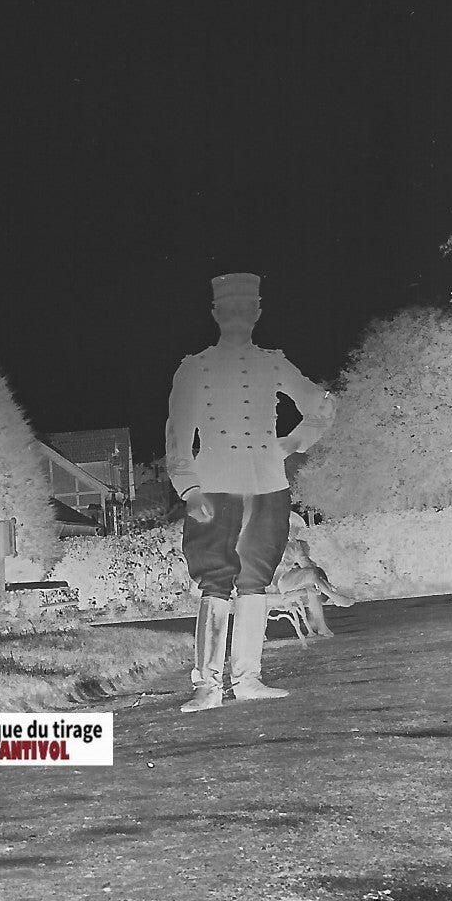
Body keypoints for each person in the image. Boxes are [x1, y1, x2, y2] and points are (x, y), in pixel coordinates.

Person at [165, 272, 336, 712]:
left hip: (268, 485)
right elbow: (177, 435)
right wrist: (189, 487)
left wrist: (290, 444)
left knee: (255, 582)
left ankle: (249, 679)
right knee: (216, 583)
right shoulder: (196, 367)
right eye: (231, 310)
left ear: (257, 313)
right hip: (215, 487)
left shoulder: (273, 363)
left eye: (248, 309)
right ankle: (206, 685)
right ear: (217, 314)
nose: (239, 317)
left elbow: (320, 405)